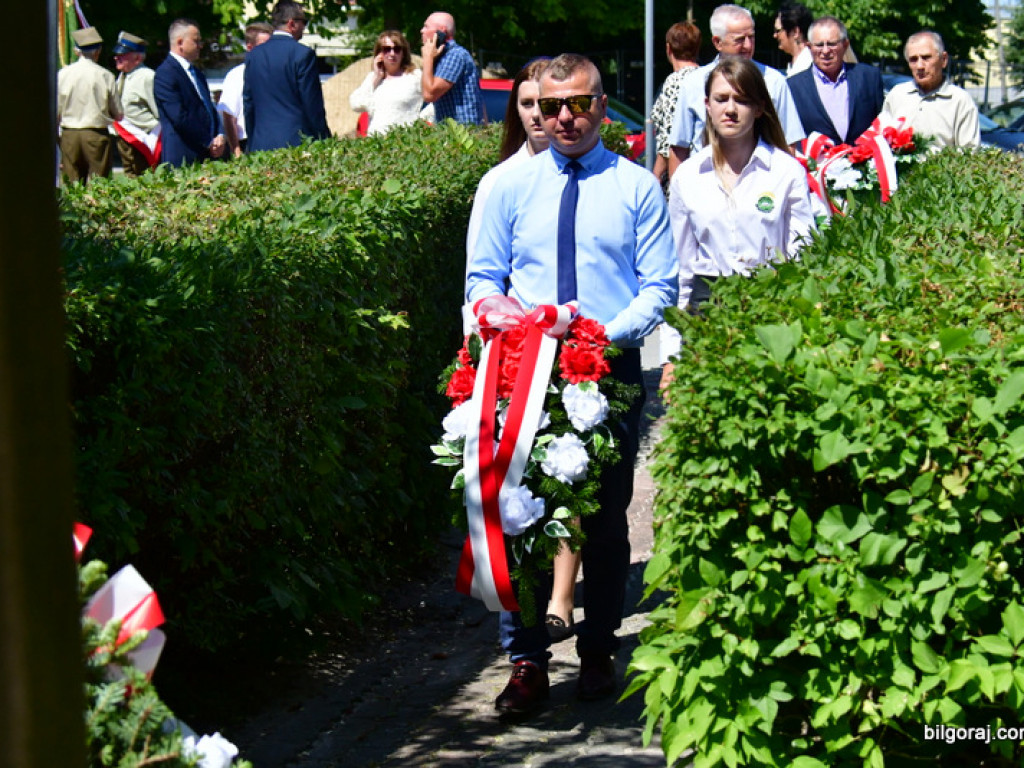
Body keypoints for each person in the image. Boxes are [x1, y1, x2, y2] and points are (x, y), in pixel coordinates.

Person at [466, 53, 678, 714]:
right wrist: (508, 327)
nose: (565, 117)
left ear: (602, 106)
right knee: (522, 520)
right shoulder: (508, 186)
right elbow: (482, 280)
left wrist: (600, 336)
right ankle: (526, 661)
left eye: (579, 104)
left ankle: (598, 650)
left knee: (607, 524)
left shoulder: (636, 186)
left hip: (605, 371)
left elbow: (659, 288)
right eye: (553, 105)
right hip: (525, 374)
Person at [463, 58, 582, 644]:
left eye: (551, 103)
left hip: (581, 353)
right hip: (516, 361)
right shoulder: (501, 183)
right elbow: (480, 282)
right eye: (529, 104)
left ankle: (563, 597)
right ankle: (523, 646)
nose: (542, 115)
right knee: (517, 492)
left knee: (575, 478)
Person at [661, 58, 815, 383]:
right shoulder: (688, 176)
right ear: (707, 105)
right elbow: (680, 270)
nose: (730, 109)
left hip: (772, 309)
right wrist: (671, 356)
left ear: (759, 108)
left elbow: (804, 258)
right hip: (706, 313)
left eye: (742, 100)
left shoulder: (787, 172)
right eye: (721, 99)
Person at [667, 4, 804, 178]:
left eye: (751, 37)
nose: (747, 46)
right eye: (739, 39)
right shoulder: (694, 83)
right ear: (718, 42)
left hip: (761, 185)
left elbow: (788, 144)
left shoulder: (774, 82)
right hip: (707, 183)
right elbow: (679, 147)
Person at [244, 1, 331, 152]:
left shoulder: (254, 55)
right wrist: (324, 139)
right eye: (304, 21)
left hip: (261, 143)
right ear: (292, 24)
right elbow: (312, 104)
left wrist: (252, 140)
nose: (305, 27)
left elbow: (248, 103)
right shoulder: (303, 54)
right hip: (296, 143)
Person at [787, 16, 884, 145]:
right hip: (816, 164)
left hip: (863, 161)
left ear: (845, 45)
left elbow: (882, 125)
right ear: (809, 47)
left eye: (832, 44)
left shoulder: (869, 78)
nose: (825, 51)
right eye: (819, 45)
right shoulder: (793, 87)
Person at [882, 31, 980, 150]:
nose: (920, 66)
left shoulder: (959, 100)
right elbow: (882, 140)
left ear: (943, 60)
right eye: (913, 59)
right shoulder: (897, 95)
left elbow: (970, 152)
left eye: (926, 57)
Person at [154, 19, 226, 167]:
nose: (200, 46)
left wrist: (219, 134)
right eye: (196, 41)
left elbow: (209, 108)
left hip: (206, 154)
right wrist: (208, 141)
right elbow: (179, 117)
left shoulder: (197, 74)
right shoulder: (166, 73)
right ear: (180, 42)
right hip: (183, 155)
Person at [57, 27, 123, 184]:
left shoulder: (63, 75)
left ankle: (74, 209)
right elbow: (119, 114)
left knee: (72, 185)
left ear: (76, 51)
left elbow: (55, 112)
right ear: (97, 51)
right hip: (96, 133)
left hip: (69, 134)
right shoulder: (105, 75)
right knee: (99, 184)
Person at [349, 30, 432, 135]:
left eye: (397, 49)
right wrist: (376, 77)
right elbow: (356, 104)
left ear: (403, 53)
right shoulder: (373, 78)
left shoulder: (415, 76)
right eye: (387, 49)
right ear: (379, 54)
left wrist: (420, 121)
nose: (392, 54)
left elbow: (433, 100)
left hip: (405, 140)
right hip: (376, 141)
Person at [649, 22, 701, 185]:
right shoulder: (706, 77)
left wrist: (656, 175)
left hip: (680, 174)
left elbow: (669, 136)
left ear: (668, 48)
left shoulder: (675, 81)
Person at [217, 22, 273, 158]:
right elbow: (229, 116)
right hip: (248, 143)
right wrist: (236, 151)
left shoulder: (275, 73)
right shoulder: (236, 75)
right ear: (250, 47)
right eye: (264, 45)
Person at [419, 12, 483, 125]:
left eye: (426, 26)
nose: (422, 31)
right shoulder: (442, 56)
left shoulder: (455, 55)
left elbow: (429, 94)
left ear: (441, 31)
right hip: (451, 133)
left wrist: (427, 59)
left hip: (462, 135)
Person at [111, 31, 159, 178]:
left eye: (122, 55)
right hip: (125, 139)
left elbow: (158, 112)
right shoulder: (123, 76)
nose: (116, 57)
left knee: (144, 180)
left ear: (137, 58)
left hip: (143, 141)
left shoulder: (146, 76)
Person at [774, 1, 813, 76]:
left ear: (795, 32)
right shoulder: (797, 65)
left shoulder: (809, 66)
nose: (775, 35)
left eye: (778, 31)